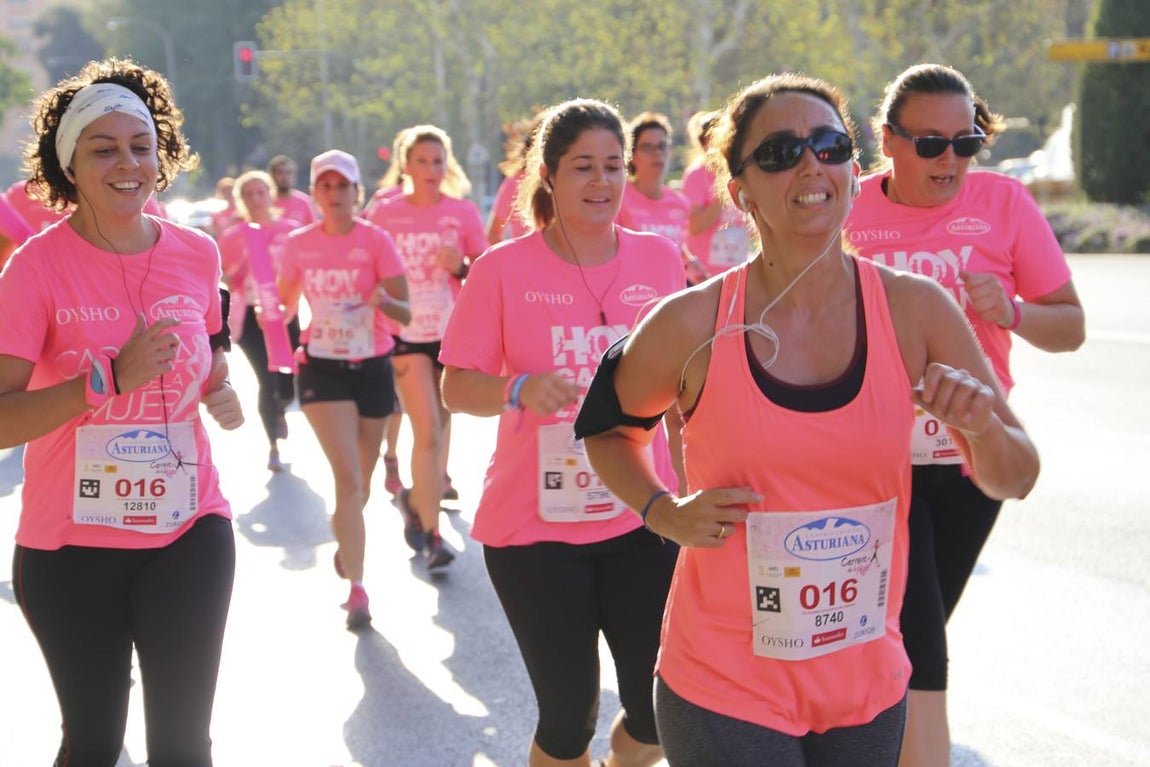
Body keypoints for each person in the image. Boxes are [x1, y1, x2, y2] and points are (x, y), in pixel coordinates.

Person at [576, 73, 1040, 766]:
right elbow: (610, 430)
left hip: (866, 684)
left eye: (828, 145)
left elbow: (1019, 472)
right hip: (725, 682)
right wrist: (660, 509)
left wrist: (977, 426)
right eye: (779, 152)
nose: (809, 165)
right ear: (740, 191)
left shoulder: (916, 311)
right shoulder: (691, 322)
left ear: (854, 169)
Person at [0, 57, 244, 765]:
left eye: (141, 146)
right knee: (95, 744)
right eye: (103, 149)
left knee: (182, 746)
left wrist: (216, 385)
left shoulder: (197, 253)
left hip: (188, 527)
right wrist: (103, 379)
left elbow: (203, 352)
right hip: (71, 546)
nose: (127, 164)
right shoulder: (35, 269)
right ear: (70, 165)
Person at [846, 62, 1085, 767]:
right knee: (920, 648)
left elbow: (1069, 326)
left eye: (966, 142)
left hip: (973, 460)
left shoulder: (1005, 203)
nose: (949, 159)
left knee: (901, 643)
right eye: (930, 144)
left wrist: (1008, 310)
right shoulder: (846, 210)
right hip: (873, 466)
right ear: (886, 140)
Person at [441, 98, 684, 767]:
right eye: (583, 166)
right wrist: (517, 388)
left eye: (613, 165)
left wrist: (692, 497)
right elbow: (456, 387)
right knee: (568, 713)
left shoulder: (659, 262)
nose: (602, 181)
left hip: (642, 517)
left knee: (662, 708)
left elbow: (684, 393)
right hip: (535, 531)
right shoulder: (501, 268)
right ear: (548, 174)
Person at [278, 149, 410, 627]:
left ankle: (347, 539)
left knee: (364, 479)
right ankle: (358, 588)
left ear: (358, 193)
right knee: (348, 476)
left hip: (373, 364)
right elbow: (284, 304)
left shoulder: (377, 242)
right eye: (325, 187)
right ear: (315, 194)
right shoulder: (298, 244)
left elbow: (407, 314)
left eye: (343, 187)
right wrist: (275, 315)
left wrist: (383, 300)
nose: (334, 195)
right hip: (321, 368)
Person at [367, 124, 486, 568]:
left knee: (443, 421)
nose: (431, 170)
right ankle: (434, 536)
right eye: (422, 161)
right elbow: (366, 263)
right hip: (405, 335)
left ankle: (416, 496)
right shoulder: (385, 213)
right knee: (428, 432)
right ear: (406, 165)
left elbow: (484, 273)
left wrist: (461, 266)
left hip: (452, 335)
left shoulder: (463, 213)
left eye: (438, 161)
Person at [217, 169, 303, 471]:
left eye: (260, 192)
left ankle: (281, 407)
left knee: (288, 381)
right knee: (266, 379)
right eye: (248, 194)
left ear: (270, 195)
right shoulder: (232, 236)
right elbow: (222, 276)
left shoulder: (290, 231)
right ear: (240, 200)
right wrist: (236, 270)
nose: (255, 199)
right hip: (250, 318)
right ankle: (273, 446)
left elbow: (303, 272)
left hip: (284, 314)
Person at [617, 111, 708, 286]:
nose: (657, 153)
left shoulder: (679, 203)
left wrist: (693, 266)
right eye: (647, 147)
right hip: (632, 293)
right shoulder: (619, 198)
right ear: (632, 155)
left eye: (662, 146)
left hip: (672, 296)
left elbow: (679, 250)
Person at [680, 109, 754, 276]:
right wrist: (724, 191)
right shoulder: (696, 176)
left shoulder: (743, 173)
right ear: (705, 143)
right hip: (703, 276)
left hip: (737, 273)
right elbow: (695, 226)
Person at [485, 113, 540, 244]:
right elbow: (493, 233)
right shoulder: (517, 182)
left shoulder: (573, 181)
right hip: (527, 263)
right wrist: (512, 262)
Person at [268, 154, 316, 225]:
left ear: (293, 176)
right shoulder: (266, 202)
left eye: (288, 173)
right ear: (272, 175)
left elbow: (312, 229)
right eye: (280, 172)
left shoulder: (304, 202)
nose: (284, 177)